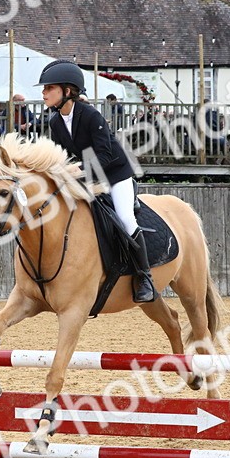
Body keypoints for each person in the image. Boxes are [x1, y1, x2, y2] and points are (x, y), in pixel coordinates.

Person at [38, 59, 156, 303]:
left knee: (125, 218)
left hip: (115, 174)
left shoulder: (90, 116)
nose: (44, 92)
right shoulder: (55, 121)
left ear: (67, 91)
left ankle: (144, 277)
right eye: (44, 88)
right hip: (88, 176)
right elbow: (64, 155)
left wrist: (77, 169)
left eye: (49, 88)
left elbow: (106, 155)